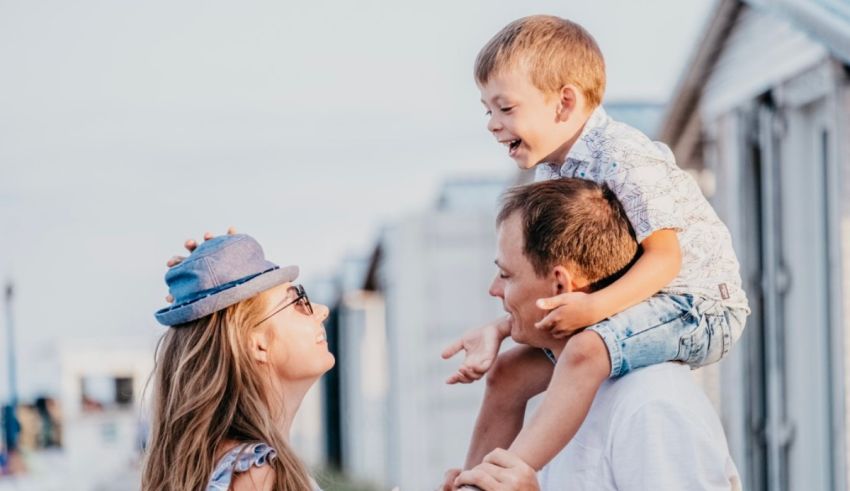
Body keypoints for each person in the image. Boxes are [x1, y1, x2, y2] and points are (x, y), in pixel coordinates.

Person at [442, 14, 750, 472]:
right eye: (487, 110)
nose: (492, 123)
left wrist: (594, 309)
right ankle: (470, 485)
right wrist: (501, 328)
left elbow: (666, 258)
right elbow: (545, 278)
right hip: (627, 307)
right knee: (507, 373)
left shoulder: (625, 155)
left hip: (696, 307)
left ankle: (505, 477)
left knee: (587, 349)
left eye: (505, 109)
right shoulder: (551, 170)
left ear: (564, 103)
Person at [444, 179, 740, 490]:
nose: (494, 289)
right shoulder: (564, 401)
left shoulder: (652, 403)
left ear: (560, 284)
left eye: (506, 275)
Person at [142, 233, 332, 491]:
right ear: (255, 344)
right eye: (298, 300)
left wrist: (219, 267)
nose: (321, 310)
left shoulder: (240, 467)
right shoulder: (256, 475)